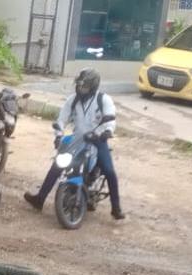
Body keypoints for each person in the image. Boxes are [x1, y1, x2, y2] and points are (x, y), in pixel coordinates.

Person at [23, 68, 124, 221]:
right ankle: (40, 198)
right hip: (77, 139)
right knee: (58, 164)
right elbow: (61, 119)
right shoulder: (73, 100)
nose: (80, 89)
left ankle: (116, 208)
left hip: (97, 140)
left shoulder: (103, 100)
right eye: (79, 86)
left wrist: (107, 131)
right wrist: (58, 134)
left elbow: (110, 120)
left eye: (84, 87)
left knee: (109, 171)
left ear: (93, 87)